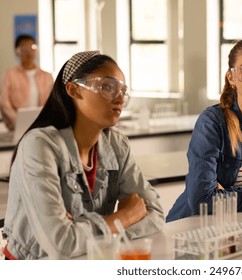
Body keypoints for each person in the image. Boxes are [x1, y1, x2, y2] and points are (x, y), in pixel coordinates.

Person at [2, 51, 165, 259]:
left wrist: (85, 232)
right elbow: (61, 244)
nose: (120, 97)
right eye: (107, 87)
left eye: (123, 90)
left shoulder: (116, 144)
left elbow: (156, 214)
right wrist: (124, 217)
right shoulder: (39, 146)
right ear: (73, 90)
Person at [166, 36, 242, 223]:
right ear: (232, 77)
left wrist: (226, 195)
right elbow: (202, 201)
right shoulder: (212, 122)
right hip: (193, 226)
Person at [0, 34, 54, 131]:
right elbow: (5, 103)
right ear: (17, 51)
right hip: (16, 128)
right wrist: (18, 122)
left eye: (32, 47)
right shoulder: (10, 74)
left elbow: (53, 101)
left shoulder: (47, 76)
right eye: (24, 47)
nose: (29, 51)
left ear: (36, 50)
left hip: (42, 126)